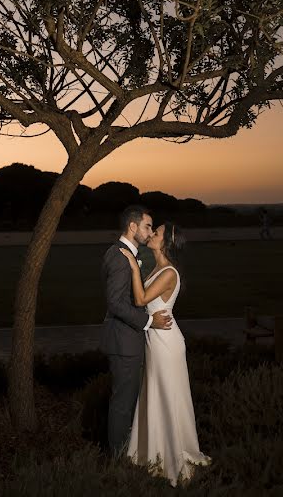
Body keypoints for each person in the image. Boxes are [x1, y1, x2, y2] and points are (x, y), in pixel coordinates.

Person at [118, 221, 211, 485]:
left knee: (168, 394)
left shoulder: (169, 272)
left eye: (156, 233)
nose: (152, 234)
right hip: (154, 338)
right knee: (155, 392)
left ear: (165, 243)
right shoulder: (158, 267)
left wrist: (134, 267)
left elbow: (140, 300)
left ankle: (172, 454)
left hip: (166, 343)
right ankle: (152, 453)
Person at [100, 206, 173, 459]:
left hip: (127, 339)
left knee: (126, 401)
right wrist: (149, 321)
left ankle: (125, 451)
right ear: (133, 227)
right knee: (122, 404)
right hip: (123, 341)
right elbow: (116, 303)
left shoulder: (126, 254)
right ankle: (118, 459)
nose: (150, 231)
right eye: (147, 226)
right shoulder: (120, 257)